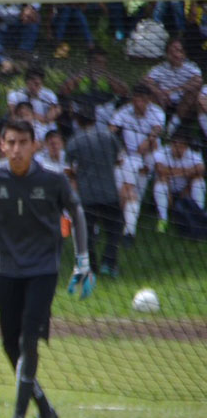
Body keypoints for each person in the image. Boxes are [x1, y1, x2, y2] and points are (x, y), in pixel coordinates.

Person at [0, 119, 93, 418]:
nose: (17, 149)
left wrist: (82, 260)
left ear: (35, 145)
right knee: (10, 345)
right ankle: (46, 410)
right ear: (2, 145)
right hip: (5, 271)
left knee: (28, 341)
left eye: (23, 142)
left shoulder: (53, 180)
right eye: (11, 142)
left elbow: (76, 213)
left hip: (43, 271)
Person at [66, 104, 126, 275]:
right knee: (115, 229)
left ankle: (92, 267)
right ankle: (109, 262)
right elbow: (120, 160)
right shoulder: (109, 136)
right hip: (109, 192)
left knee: (88, 233)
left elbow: (68, 169)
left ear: (77, 120)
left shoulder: (74, 141)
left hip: (86, 194)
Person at [110, 83, 168, 241]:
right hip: (131, 154)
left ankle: (163, 218)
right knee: (130, 189)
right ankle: (129, 228)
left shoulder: (157, 112)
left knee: (160, 170)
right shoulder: (124, 111)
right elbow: (112, 128)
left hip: (152, 151)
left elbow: (157, 130)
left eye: (142, 99)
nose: (138, 103)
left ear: (148, 99)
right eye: (135, 99)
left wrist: (148, 140)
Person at [58, 46, 130, 130]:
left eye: (103, 63)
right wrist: (80, 77)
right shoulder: (80, 76)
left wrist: (108, 77)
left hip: (103, 109)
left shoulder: (108, 77)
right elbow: (63, 91)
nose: (100, 65)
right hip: (83, 110)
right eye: (97, 62)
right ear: (89, 62)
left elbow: (124, 92)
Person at [153, 125, 207, 234]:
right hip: (167, 189)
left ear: (186, 147)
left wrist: (173, 173)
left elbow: (201, 170)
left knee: (199, 181)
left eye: (181, 146)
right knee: (161, 182)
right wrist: (187, 172)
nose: (177, 149)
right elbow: (160, 170)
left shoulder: (193, 155)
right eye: (175, 145)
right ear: (171, 143)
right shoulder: (162, 152)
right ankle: (163, 220)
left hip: (186, 191)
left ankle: (197, 216)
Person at [143, 38, 204, 126]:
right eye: (172, 51)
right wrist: (159, 92)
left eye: (178, 51)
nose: (175, 54)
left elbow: (198, 81)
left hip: (183, 101)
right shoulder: (161, 67)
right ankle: (158, 123)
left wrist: (175, 91)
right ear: (167, 54)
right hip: (163, 99)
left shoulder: (191, 67)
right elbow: (146, 80)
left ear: (184, 53)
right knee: (148, 91)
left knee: (194, 92)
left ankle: (173, 125)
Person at [8, 66, 62, 133]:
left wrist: (29, 114)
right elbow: (13, 117)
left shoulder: (49, 94)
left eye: (37, 84)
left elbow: (49, 118)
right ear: (26, 82)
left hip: (47, 131)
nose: (33, 87)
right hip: (24, 129)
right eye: (31, 83)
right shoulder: (16, 95)